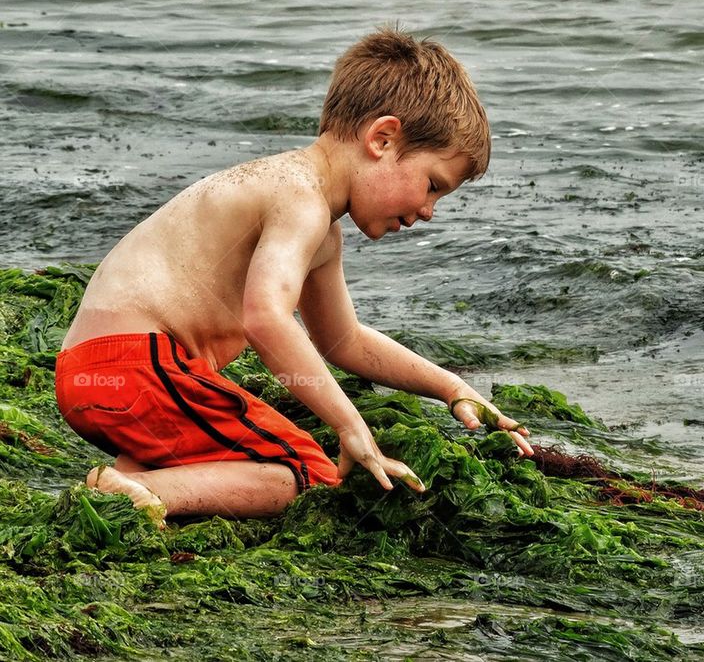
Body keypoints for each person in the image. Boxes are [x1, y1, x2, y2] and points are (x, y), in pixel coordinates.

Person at [54, 27, 533, 525]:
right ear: (382, 139)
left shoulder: (314, 221)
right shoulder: (299, 196)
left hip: (93, 375)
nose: (429, 210)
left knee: (229, 457)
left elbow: (343, 339)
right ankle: (139, 490)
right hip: (138, 368)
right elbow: (266, 317)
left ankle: (136, 483)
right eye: (432, 185)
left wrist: (450, 385)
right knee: (306, 471)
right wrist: (349, 424)